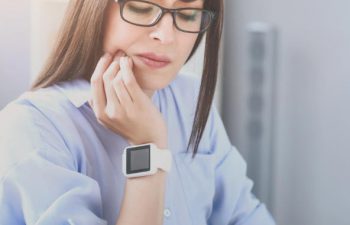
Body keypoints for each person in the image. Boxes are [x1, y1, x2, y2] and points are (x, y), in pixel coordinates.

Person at [0, 0, 276, 224]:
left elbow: (245, 216)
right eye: (141, 8)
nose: (166, 36)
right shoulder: (31, 129)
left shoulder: (189, 99)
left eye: (188, 15)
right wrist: (148, 148)